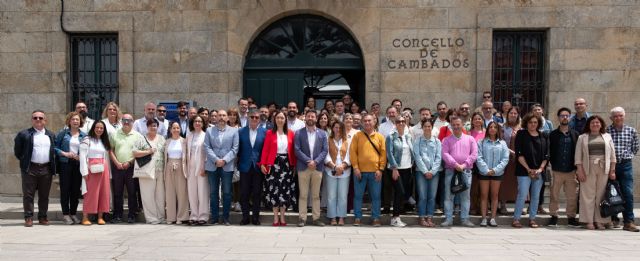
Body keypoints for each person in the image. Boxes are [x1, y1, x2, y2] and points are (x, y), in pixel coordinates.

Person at [14, 110, 57, 227]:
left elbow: (53, 152)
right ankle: (28, 217)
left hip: (46, 168)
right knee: (28, 195)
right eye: (35, 118)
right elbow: (18, 152)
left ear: (45, 120)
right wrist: (25, 161)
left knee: (44, 195)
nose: (38, 120)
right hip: (30, 168)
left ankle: (43, 217)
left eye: (40, 118)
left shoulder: (51, 135)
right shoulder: (24, 134)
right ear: (31, 120)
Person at [575, 115, 617, 230]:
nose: (595, 124)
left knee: (601, 195)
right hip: (587, 168)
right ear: (589, 124)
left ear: (601, 124)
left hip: (604, 168)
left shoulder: (607, 136)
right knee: (588, 195)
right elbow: (578, 156)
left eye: (597, 122)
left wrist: (612, 170)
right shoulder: (582, 137)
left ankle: (600, 221)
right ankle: (588, 221)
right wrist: (580, 171)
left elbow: (613, 156)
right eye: (592, 122)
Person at [512, 113, 549, 228]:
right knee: (522, 194)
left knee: (536, 196)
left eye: (535, 122)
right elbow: (519, 153)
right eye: (530, 122)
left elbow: (547, 156)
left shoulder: (543, 136)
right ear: (526, 123)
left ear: (538, 124)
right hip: (524, 170)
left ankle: (532, 219)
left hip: (539, 171)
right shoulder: (521, 134)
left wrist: (540, 169)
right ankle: (516, 219)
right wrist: (528, 169)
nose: (533, 124)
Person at [260, 111, 297, 226]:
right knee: (274, 190)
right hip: (273, 165)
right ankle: (275, 217)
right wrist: (263, 164)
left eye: (282, 118)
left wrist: (294, 165)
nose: (280, 120)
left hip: (286, 165)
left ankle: (283, 217)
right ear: (274, 120)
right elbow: (265, 149)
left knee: (285, 191)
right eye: (278, 117)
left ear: (285, 120)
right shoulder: (269, 133)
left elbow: (293, 151)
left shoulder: (291, 133)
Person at [350, 114, 387, 227]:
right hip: (359, 172)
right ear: (362, 122)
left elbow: (383, 154)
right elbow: (353, 153)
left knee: (376, 196)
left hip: (375, 172)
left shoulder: (380, 137)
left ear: (374, 122)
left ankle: (375, 218)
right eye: (365, 121)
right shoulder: (357, 136)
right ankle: (357, 218)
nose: (367, 123)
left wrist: (380, 169)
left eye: (369, 120)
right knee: (358, 196)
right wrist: (355, 167)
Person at [441, 116, 477, 227]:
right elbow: (445, 154)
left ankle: (465, 219)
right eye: (454, 125)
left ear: (462, 125)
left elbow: (474, 154)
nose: (456, 127)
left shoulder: (470, 139)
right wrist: (455, 164)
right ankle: (448, 219)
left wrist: (464, 165)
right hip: (451, 171)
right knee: (449, 196)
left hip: (465, 171)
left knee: (465, 197)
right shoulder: (446, 140)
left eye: (458, 124)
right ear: (451, 126)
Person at [294, 110, 329, 227]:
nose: (310, 118)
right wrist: (308, 161)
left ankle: (316, 218)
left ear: (316, 118)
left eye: (312, 116)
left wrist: (316, 161)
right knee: (303, 194)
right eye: (308, 116)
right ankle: (302, 218)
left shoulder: (323, 134)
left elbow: (325, 150)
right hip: (303, 167)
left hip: (317, 167)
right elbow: (297, 150)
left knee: (315, 195)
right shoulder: (299, 133)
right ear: (305, 118)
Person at [204, 110, 239, 225]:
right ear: (216, 117)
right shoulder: (209, 130)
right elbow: (207, 147)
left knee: (227, 192)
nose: (222, 118)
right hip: (212, 165)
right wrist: (216, 160)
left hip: (227, 166)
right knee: (213, 193)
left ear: (227, 118)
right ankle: (214, 217)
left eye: (224, 116)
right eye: (220, 115)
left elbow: (235, 149)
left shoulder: (234, 131)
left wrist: (224, 160)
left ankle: (226, 218)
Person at [607, 107, 639, 232]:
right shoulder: (606, 130)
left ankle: (628, 222)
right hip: (610, 165)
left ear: (624, 116)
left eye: (620, 115)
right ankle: (613, 219)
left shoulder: (631, 131)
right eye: (615, 116)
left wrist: (626, 156)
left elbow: (635, 148)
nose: (618, 118)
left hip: (625, 165)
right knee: (611, 192)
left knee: (628, 193)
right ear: (611, 118)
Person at [548, 108, 580, 227]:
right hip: (556, 170)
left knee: (572, 196)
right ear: (558, 117)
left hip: (571, 170)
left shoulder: (576, 134)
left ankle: (571, 217)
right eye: (562, 116)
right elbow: (549, 150)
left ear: (570, 117)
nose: (565, 118)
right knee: (554, 195)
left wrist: (578, 168)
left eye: (567, 115)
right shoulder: (553, 134)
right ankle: (553, 216)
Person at [109, 114, 143, 224]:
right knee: (117, 192)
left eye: (129, 120)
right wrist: (117, 163)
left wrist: (129, 162)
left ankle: (131, 215)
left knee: (132, 192)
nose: (126, 122)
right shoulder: (115, 134)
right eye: (124, 120)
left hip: (131, 167)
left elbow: (140, 152)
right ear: (121, 121)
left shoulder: (138, 135)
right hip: (117, 167)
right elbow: (111, 150)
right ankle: (117, 215)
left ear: (133, 122)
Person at [55, 112, 87, 225]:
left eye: (77, 120)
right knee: (65, 190)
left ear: (80, 122)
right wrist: (64, 153)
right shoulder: (63, 134)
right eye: (73, 119)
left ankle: (73, 213)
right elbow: (54, 148)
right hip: (65, 164)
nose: (75, 121)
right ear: (69, 121)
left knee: (75, 191)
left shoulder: (84, 135)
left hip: (78, 165)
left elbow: (87, 150)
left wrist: (81, 157)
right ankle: (65, 214)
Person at [475, 122, 510, 227]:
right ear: (487, 129)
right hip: (484, 172)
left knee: (494, 195)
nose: (493, 129)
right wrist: (486, 170)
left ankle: (493, 218)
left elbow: (505, 159)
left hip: (497, 173)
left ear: (497, 129)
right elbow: (478, 157)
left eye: (495, 127)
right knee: (484, 195)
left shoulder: (503, 143)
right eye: (490, 127)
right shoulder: (481, 142)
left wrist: (495, 170)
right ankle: (484, 218)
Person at [132, 119, 166, 224]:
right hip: (146, 171)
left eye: (155, 125)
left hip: (159, 170)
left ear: (158, 127)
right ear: (147, 127)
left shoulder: (162, 139)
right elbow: (134, 152)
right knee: (147, 195)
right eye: (151, 125)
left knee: (160, 195)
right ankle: (151, 218)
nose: (153, 127)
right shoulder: (141, 139)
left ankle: (160, 217)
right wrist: (148, 151)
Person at [78, 120, 111, 225]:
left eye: (101, 128)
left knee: (103, 192)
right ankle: (85, 217)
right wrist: (84, 172)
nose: (99, 130)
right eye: (97, 127)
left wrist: (109, 172)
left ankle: (100, 217)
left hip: (103, 169)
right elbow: (82, 157)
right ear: (93, 128)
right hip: (91, 169)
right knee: (90, 193)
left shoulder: (104, 141)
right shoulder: (87, 140)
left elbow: (106, 157)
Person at [237, 109, 266, 225]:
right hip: (244, 166)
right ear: (248, 118)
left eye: (257, 117)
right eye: (252, 117)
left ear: (260, 119)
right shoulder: (240, 132)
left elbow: (265, 150)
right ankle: (245, 217)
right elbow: (238, 149)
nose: (254, 119)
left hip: (258, 167)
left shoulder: (265, 132)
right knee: (244, 193)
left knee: (257, 193)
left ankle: (255, 217)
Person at [385, 115, 414, 227]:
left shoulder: (408, 137)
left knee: (403, 193)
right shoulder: (390, 137)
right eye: (398, 121)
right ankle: (395, 217)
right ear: (395, 124)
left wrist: (412, 165)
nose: (401, 123)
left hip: (407, 169)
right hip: (395, 169)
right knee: (400, 192)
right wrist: (394, 168)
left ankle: (397, 217)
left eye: (403, 121)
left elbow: (411, 152)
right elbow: (389, 153)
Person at [413, 119, 442, 227]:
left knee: (432, 196)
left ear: (432, 127)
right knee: (422, 196)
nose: (427, 128)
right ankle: (421, 217)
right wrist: (425, 171)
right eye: (425, 126)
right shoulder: (417, 141)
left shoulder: (437, 141)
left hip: (434, 173)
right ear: (422, 127)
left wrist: (432, 171)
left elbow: (438, 158)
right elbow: (417, 157)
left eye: (429, 126)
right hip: (421, 172)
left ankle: (429, 217)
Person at [324, 121, 351, 226]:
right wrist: (334, 166)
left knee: (343, 195)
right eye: (336, 127)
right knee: (331, 195)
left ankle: (341, 217)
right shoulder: (328, 140)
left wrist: (342, 166)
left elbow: (349, 155)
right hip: (331, 171)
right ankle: (332, 217)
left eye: (340, 128)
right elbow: (326, 155)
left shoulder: (347, 141)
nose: (338, 129)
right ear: (332, 129)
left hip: (345, 172)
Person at [164, 121, 189, 224]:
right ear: (170, 130)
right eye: (174, 128)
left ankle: (181, 217)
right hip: (169, 166)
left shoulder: (184, 141)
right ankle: (171, 217)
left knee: (182, 193)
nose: (176, 130)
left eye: (178, 128)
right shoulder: (167, 142)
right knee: (170, 192)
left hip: (181, 166)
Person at [186, 115, 209, 225]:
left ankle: (203, 216)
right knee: (192, 192)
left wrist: (204, 167)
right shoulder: (189, 136)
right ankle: (194, 215)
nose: (198, 123)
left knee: (202, 192)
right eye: (196, 121)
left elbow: (207, 154)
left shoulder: (206, 136)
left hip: (201, 167)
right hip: (190, 167)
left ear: (203, 123)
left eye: (200, 121)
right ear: (193, 123)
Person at [498, 106, 521, 215]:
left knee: (518, 183)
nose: (513, 115)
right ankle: (502, 205)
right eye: (511, 113)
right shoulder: (502, 127)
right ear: (507, 115)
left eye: (515, 113)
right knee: (504, 182)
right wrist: (510, 152)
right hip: (505, 158)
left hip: (519, 160)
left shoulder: (522, 128)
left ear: (518, 115)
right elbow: (500, 142)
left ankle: (519, 206)